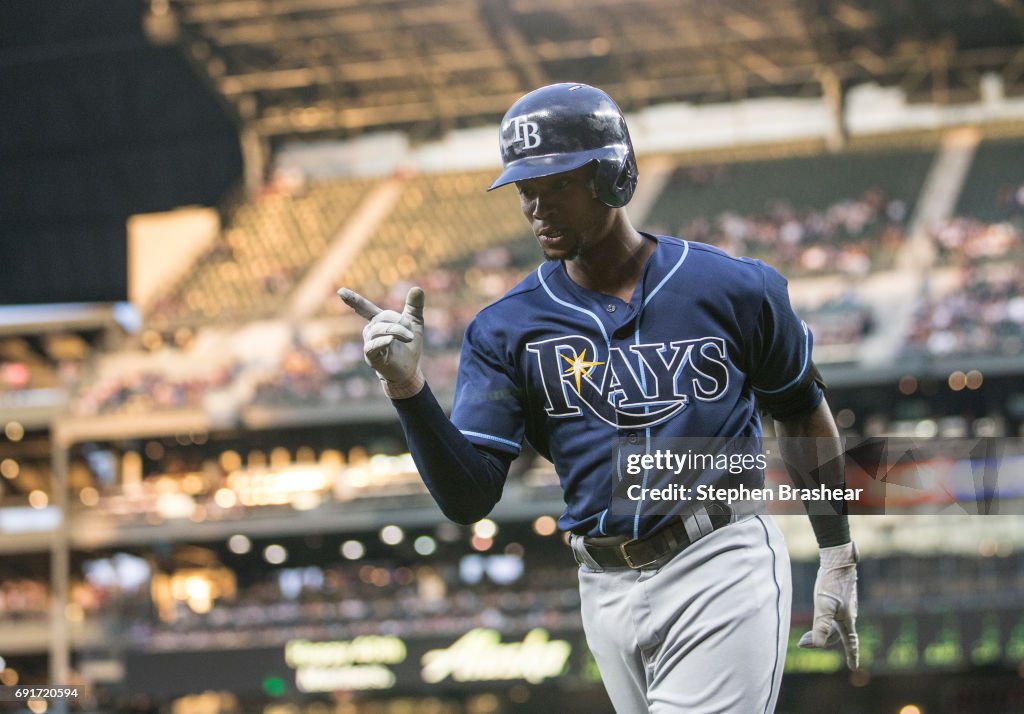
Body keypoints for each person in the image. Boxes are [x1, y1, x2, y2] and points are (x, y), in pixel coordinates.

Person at [339, 83, 859, 713]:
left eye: (554, 185)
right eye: (525, 191)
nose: (535, 206)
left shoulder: (734, 288)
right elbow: (469, 496)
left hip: (719, 557)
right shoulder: (505, 329)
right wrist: (407, 388)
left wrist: (837, 550)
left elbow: (800, 409)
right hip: (602, 584)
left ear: (613, 175)